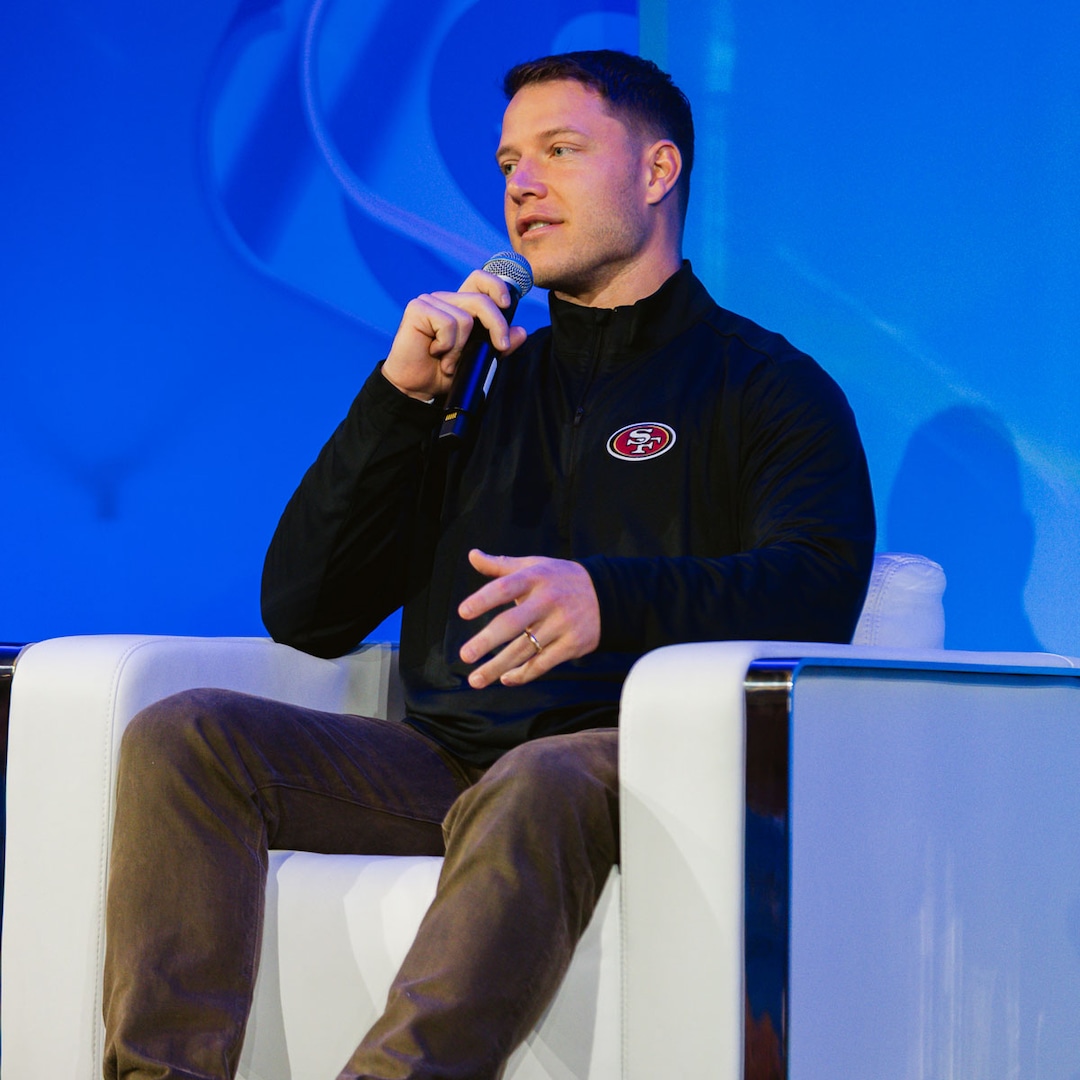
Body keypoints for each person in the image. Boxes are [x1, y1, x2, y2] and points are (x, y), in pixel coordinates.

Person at [102, 50, 875, 1080]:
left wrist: (610, 600)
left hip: (631, 760)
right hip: (445, 763)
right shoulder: (477, 385)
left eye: (560, 151)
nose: (521, 185)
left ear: (657, 172)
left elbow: (816, 588)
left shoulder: (767, 387)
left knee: (538, 776)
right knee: (188, 734)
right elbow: (306, 609)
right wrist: (399, 403)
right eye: (510, 161)